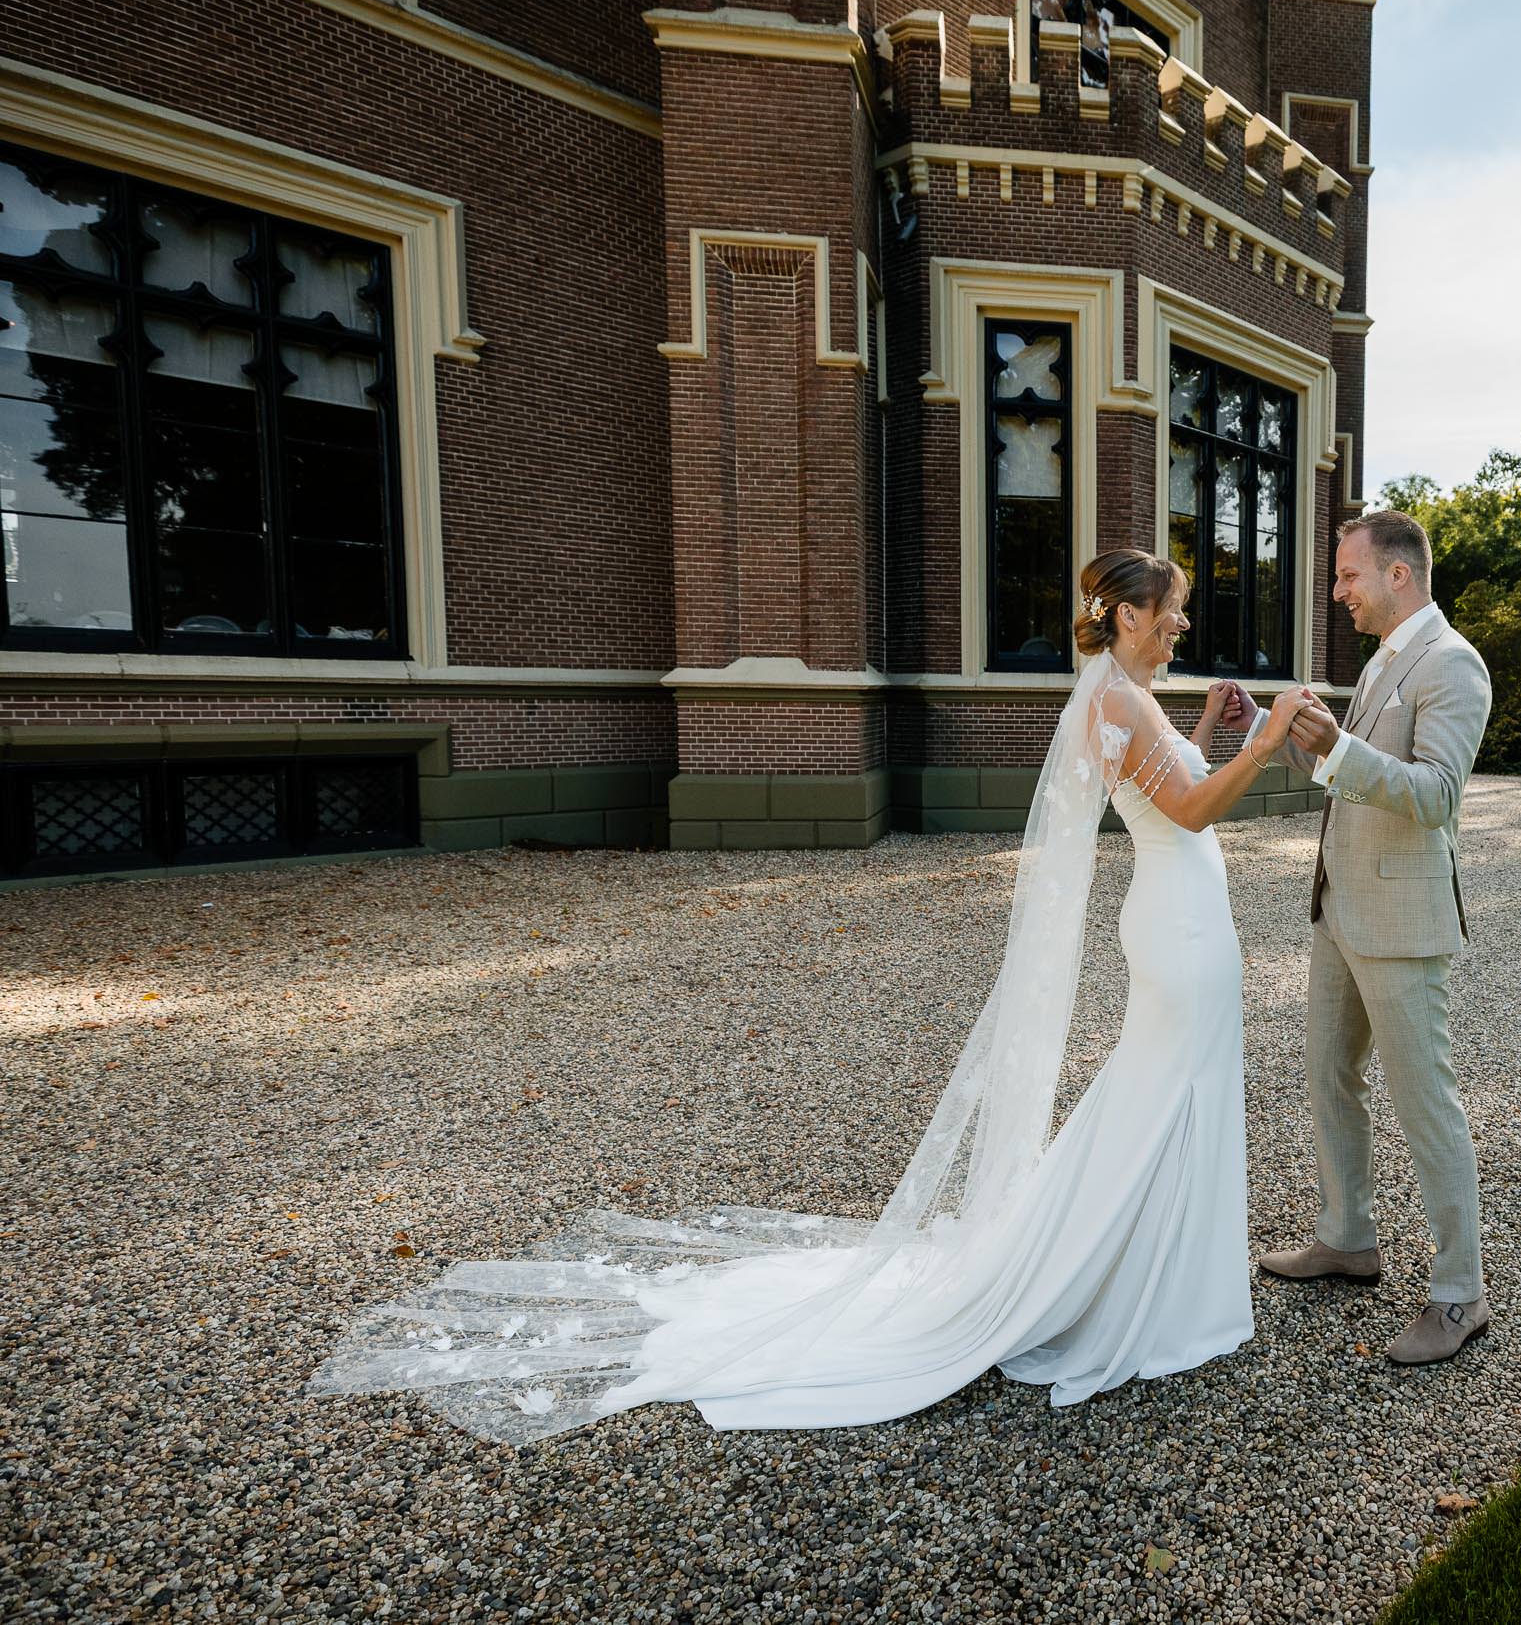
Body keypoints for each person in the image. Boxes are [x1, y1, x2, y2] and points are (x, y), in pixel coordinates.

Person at [312, 549, 1313, 1443]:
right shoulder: (1113, 701)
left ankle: (1138, 1271)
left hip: (1183, 915)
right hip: (1182, 931)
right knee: (1161, 1096)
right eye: (1171, 607)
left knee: (1159, 1097)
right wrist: (1262, 744)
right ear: (1129, 615)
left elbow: (1166, 788)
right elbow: (1181, 805)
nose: (1183, 620)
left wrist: (1207, 728)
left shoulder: (1121, 698)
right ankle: (1129, 1286)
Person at [1244, 511, 1497, 1366]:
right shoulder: (1384, 659)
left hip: (1401, 923)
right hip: (1338, 913)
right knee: (1327, 1077)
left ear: (1398, 575)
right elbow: (1345, 777)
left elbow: (1433, 795)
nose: (1338, 591)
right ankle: (1348, 1237)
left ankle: (1460, 1293)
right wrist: (1275, 733)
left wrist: (1341, 748)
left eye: (1349, 576)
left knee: (1426, 1104)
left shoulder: (1454, 664)